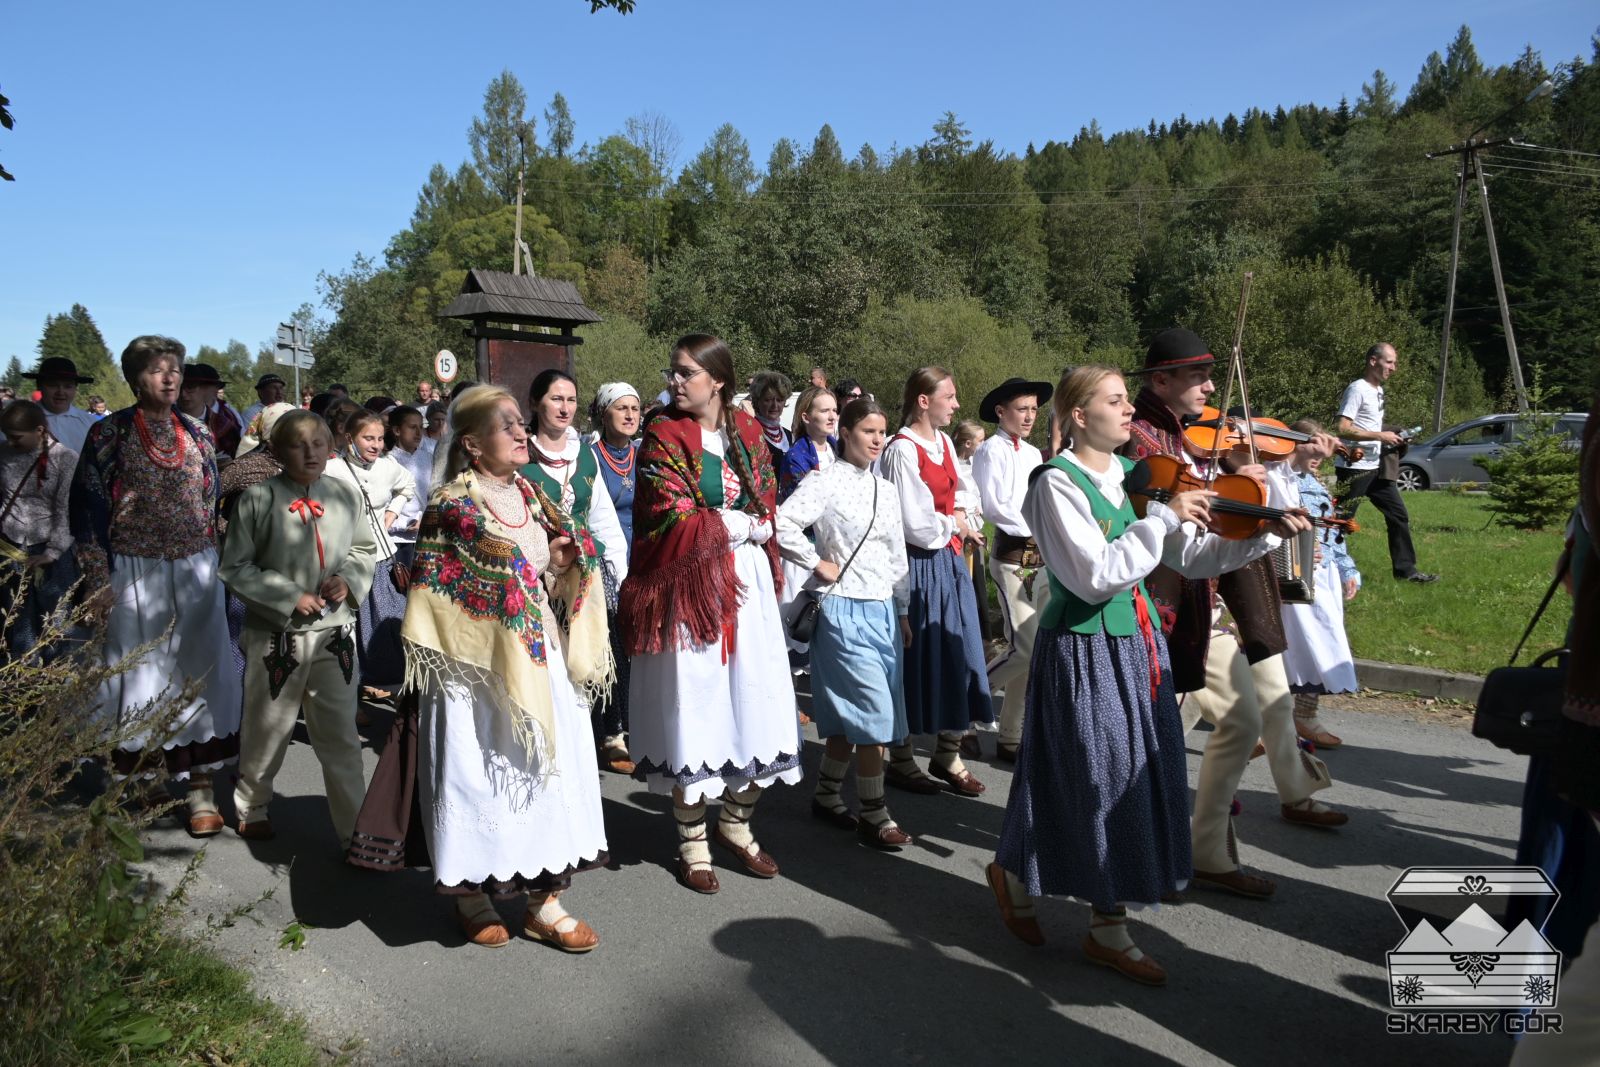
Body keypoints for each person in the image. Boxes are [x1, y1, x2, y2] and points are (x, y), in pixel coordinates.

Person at [986, 364, 1291, 986]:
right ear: (1078, 415)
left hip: (1134, 646)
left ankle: (1025, 875)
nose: (1130, 411)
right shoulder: (1055, 484)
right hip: (1082, 649)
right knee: (1103, 779)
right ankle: (1108, 925)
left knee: (1096, 772)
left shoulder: (1135, 476)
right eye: (1115, 401)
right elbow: (1094, 575)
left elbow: (1192, 555)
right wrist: (1163, 518)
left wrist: (1261, 535)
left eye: (1128, 400)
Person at [1121, 328, 1338, 904]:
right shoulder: (1143, 443)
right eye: (1199, 378)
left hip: (1194, 598)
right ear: (1161, 381)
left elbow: (1202, 542)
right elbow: (1170, 545)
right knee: (1134, 738)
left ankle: (1205, 850)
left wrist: (1253, 503)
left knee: (1238, 719)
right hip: (1150, 609)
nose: (1212, 388)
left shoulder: (1182, 439)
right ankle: (1111, 851)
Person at [394, 384, 611, 950]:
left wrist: (566, 557)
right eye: (506, 425)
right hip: (475, 667)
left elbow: (546, 559)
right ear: (471, 443)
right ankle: (472, 895)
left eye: (521, 423)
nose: (521, 432)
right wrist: (531, 564)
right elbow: (467, 575)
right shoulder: (451, 505)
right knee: (483, 775)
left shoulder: (534, 495)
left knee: (545, 772)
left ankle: (546, 902)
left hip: (535, 653)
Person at [619, 334, 801, 895]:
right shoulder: (661, 435)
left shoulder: (747, 431)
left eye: (686, 373)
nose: (675, 382)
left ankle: (736, 822)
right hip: (691, 592)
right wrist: (737, 523)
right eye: (673, 372)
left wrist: (758, 522)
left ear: (717, 380)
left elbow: (764, 493)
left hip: (745, 587)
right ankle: (692, 840)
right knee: (695, 708)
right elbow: (664, 517)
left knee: (758, 705)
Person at [70, 335, 241, 836]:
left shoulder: (199, 433)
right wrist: (98, 580)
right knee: (143, 673)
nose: (170, 379)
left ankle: (200, 789)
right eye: (156, 371)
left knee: (200, 671)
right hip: (134, 570)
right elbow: (86, 510)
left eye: (175, 370)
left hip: (196, 570)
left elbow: (211, 504)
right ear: (133, 379)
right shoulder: (109, 435)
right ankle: (142, 781)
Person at [220, 410, 377, 845]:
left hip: (335, 633)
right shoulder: (258, 498)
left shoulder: (346, 495)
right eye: (297, 444)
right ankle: (252, 804)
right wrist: (289, 596)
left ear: (331, 448)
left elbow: (365, 548)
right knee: (268, 725)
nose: (309, 453)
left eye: (318, 443)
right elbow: (235, 565)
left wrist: (347, 578)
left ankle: (355, 830)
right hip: (278, 636)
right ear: (276, 450)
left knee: (342, 734)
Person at [777, 397, 913, 849]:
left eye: (882, 432)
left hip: (881, 611)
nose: (877, 440)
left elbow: (897, 555)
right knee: (874, 714)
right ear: (847, 433)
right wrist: (817, 561)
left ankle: (827, 793)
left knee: (847, 719)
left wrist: (903, 608)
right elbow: (783, 523)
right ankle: (875, 813)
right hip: (840, 609)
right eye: (868, 431)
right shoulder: (825, 480)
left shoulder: (886, 490)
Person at [878, 367, 994, 797]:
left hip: (945, 561)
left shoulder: (944, 442)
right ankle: (902, 757)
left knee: (960, 649)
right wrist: (954, 524)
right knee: (917, 657)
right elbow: (913, 523)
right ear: (924, 401)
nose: (957, 404)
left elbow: (962, 494)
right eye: (950, 396)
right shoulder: (901, 450)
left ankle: (947, 753)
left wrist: (961, 519)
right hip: (917, 565)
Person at [521, 370, 632, 774]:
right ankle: (553, 741)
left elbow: (602, 515)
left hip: (588, 571)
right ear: (536, 403)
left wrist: (618, 571)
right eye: (555, 399)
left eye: (570, 399)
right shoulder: (521, 456)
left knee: (597, 656)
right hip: (541, 577)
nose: (565, 407)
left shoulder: (583, 454)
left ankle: (602, 735)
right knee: (551, 661)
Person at [972, 377, 1054, 763]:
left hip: (1039, 562)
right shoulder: (991, 450)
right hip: (1009, 559)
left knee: (1031, 652)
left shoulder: (1034, 454)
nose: (1029, 416)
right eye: (1022, 409)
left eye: (1034, 409)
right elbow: (993, 506)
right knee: (1027, 645)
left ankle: (1010, 736)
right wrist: (1033, 525)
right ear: (1002, 412)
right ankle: (966, 700)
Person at [1276, 420, 1360, 749]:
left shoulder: (1318, 484)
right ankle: (1276, 717)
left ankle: (1306, 715)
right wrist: (1299, 451)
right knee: (1295, 646)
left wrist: (1346, 568)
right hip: (1292, 571)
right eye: (1312, 448)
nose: (1318, 457)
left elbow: (1332, 534)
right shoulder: (1283, 477)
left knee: (1325, 643)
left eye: (1322, 453)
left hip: (1321, 576)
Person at [326, 409, 415, 698]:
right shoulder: (331, 471)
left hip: (381, 559)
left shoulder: (387, 467)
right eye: (368, 438)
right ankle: (353, 693)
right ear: (349, 438)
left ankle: (387, 682)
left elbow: (408, 486)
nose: (376, 445)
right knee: (349, 631)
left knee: (390, 624)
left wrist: (390, 514)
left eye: (379, 438)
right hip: (346, 562)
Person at [1334, 343, 1436, 583]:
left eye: (1394, 363)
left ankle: (1407, 572)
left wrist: (1393, 434)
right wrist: (1381, 436)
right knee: (1339, 521)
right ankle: (1324, 569)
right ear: (1373, 361)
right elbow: (1342, 428)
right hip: (1354, 469)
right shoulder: (1357, 389)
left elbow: (1369, 426)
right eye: (1389, 362)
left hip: (1376, 467)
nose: (1394, 368)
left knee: (1398, 515)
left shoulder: (1378, 390)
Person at [0, 400, 77, 660]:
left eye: (16, 437)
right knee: (17, 622)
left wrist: (53, 552)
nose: (11, 443)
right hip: (11, 547)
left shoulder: (65, 458)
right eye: (7, 436)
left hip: (51, 552)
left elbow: (66, 508)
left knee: (55, 622)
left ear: (40, 431)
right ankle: (25, 686)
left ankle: (55, 682)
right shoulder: (3, 453)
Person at [386, 405, 431, 571]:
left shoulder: (428, 459)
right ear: (397, 430)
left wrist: (425, 519)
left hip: (427, 536)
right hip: (399, 540)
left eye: (421, 427)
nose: (418, 433)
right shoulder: (387, 463)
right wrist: (405, 524)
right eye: (412, 427)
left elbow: (435, 494)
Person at [25, 356, 99, 456]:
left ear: (75, 389)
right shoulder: (22, 419)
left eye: (68, 386)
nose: (60, 392)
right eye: (53, 385)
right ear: (39, 386)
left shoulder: (90, 423)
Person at [178, 362, 241, 461]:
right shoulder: (164, 423)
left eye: (190, 387)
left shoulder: (225, 426)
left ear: (203, 389)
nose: (183, 394)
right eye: (178, 387)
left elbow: (238, 461)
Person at [749, 371, 793, 471]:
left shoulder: (790, 435)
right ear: (757, 401)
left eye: (780, 400)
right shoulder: (750, 435)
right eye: (768, 400)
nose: (775, 405)